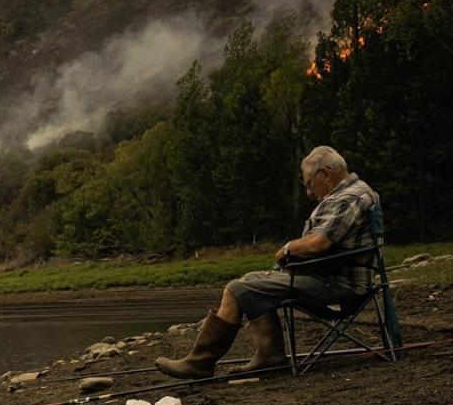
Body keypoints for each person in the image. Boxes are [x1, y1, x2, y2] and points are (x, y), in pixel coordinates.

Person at [155, 146, 381, 380]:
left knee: (237, 288)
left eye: (309, 183)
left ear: (325, 173)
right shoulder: (354, 192)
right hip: (332, 277)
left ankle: (201, 363)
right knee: (251, 280)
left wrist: (288, 249)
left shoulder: (348, 198)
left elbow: (319, 243)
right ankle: (267, 354)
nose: (308, 192)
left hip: (339, 287)